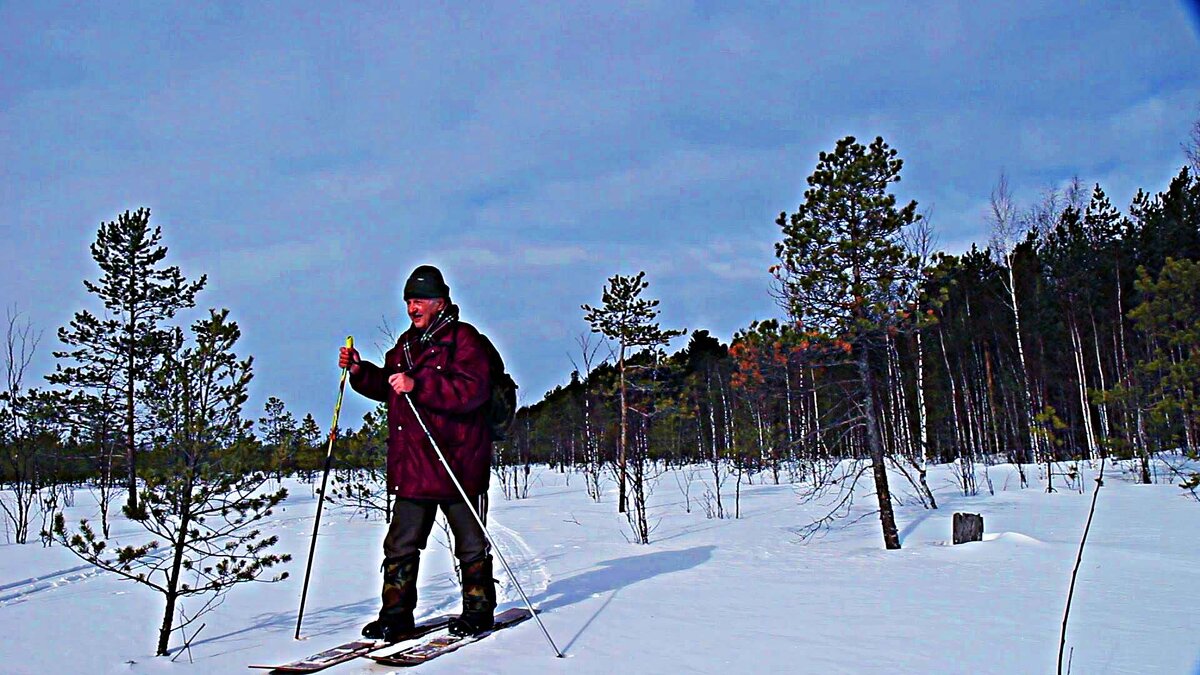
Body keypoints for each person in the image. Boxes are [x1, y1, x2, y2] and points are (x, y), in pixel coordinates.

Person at [338, 264, 496, 639]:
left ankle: (478, 611)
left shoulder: (465, 340)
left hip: (457, 462)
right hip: (414, 465)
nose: (413, 307)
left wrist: (419, 382)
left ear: (440, 302)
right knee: (400, 544)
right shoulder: (404, 347)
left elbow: (472, 391)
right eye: (409, 300)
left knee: (470, 544)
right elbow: (388, 385)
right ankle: (395, 616)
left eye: (421, 300)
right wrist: (361, 372)